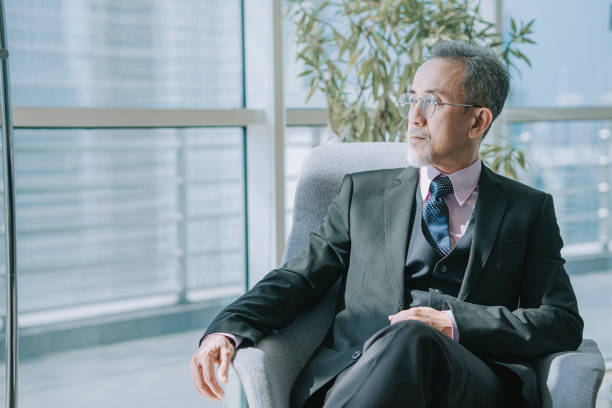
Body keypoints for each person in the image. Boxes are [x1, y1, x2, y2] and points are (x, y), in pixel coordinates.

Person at [190, 41, 583, 408]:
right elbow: (299, 278)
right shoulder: (361, 194)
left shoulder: (528, 209)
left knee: (416, 336)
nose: (414, 116)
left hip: (471, 379)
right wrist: (228, 328)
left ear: (478, 121)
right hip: (359, 372)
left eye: (431, 102)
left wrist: (453, 323)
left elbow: (560, 321)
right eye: (412, 99)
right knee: (404, 342)